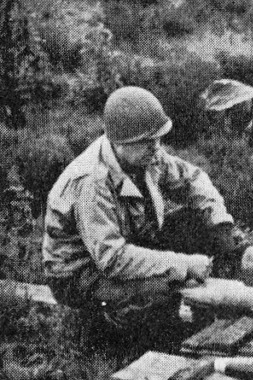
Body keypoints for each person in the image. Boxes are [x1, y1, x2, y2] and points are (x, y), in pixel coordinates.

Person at [42, 86, 236, 347]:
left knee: (193, 223)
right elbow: (112, 259)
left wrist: (219, 222)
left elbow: (192, 179)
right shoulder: (91, 182)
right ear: (121, 142)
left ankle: (177, 318)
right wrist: (183, 264)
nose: (157, 148)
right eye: (148, 141)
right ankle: (109, 330)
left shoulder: (145, 155)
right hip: (80, 274)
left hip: (122, 246)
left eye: (157, 139)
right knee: (160, 290)